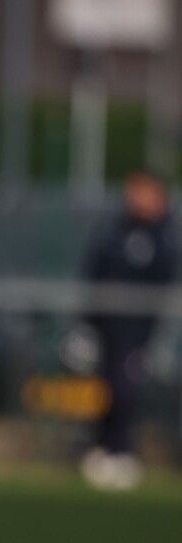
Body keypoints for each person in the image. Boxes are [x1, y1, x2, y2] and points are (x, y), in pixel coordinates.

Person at [81, 169, 177, 491]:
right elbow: (95, 272)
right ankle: (103, 447)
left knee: (126, 389)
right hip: (110, 328)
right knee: (107, 388)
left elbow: (162, 282)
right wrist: (87, 322)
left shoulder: (166, 237)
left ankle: (122, 450)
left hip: (142, 331)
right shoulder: (114, 231)